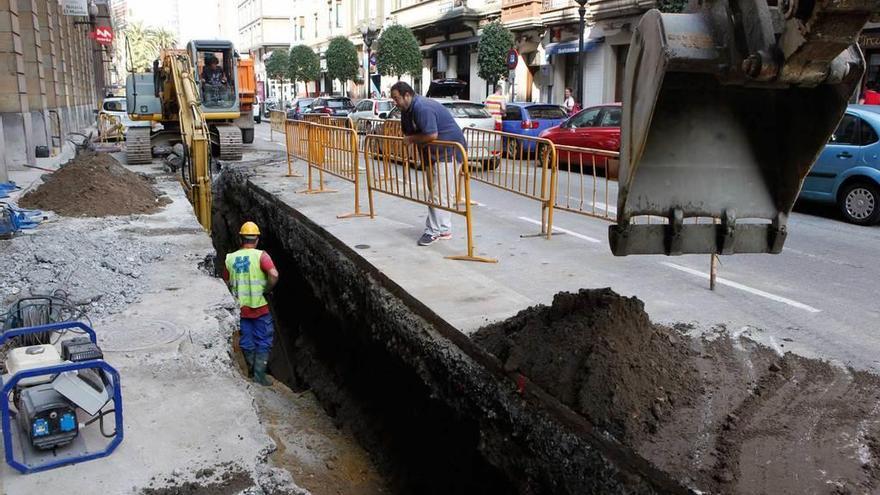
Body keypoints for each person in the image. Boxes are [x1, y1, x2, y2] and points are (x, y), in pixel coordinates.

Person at [390, 81, 467, 246]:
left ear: (407, 95)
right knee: (440, 191)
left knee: (439, 193)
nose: (395, 102)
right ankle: (444, 229)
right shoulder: (406, 110)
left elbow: (431, 134)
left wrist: (410, 140)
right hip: (434, 154)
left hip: (449, 152)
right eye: (393, 99)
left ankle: (432, 231)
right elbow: (410, 133)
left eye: (396, 98)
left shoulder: (422, 107)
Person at [223, 221, 280, 386]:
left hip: (240, 309)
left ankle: (252, 369)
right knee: (263, 340)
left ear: (241, 238)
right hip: (260, 307)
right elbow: (274, 274)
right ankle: (259, 376)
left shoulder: (230, 259)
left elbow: (226, 283)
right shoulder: (262, 256)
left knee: (246, 341)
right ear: (256, 239)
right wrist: (267, 288)